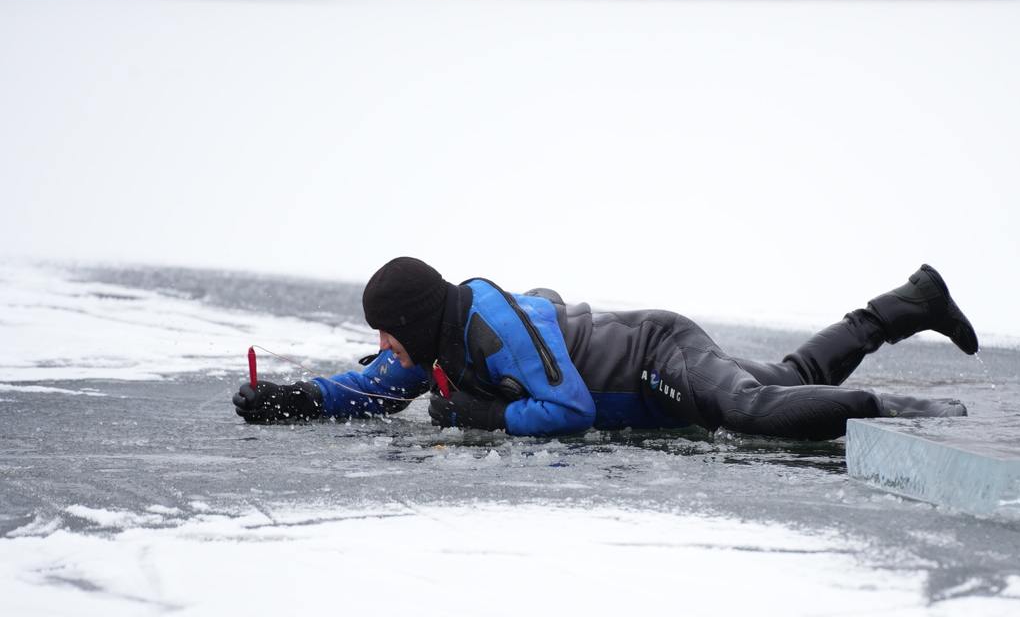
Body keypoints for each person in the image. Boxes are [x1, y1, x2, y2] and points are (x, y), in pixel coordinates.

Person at [232, 259, 978, 441]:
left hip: (653, 353)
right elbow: (375, 386)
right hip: (647, 370)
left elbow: (571, 408)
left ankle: (907, 413)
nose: (384, 347)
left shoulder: (488, 325)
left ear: (414, 318)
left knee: (750, 411)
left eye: (386, 330)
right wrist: (294, 399)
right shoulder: (437, 340)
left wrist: (479, 418)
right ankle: (908, 304)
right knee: (787, 381)